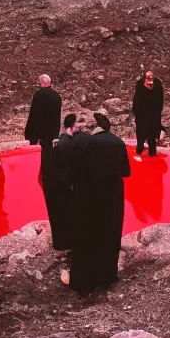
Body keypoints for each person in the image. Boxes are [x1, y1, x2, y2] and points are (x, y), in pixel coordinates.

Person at [68, 113, 130, 294]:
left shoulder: (85, 143)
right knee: (109, 234)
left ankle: (83, 281)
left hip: (89, 196)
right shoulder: (118, 142)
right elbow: (126, 172)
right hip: (112, 197)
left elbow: (74, 171)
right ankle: (107, 277)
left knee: (88, 234)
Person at [48, 114, 87, 251]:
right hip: (67, 184)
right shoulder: (68, 143)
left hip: (62, 184)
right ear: (71, 125)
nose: (79, 126)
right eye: (77, 123)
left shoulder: (60, 143)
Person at [24, 74, 62, 184]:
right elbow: (57, 116)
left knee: (38, 154)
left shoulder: (39, 95)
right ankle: (48, 175)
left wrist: (30, 133)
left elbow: (34, 114)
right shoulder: (56, 96)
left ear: (42, 83)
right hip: (51, 132)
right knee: (48, 153)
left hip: (39, 130)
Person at [132, 70, 164, 158]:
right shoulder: (140, 86)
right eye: (148, 79)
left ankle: (152, 152)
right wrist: (135, 112)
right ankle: (139, 150)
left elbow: (160, 102)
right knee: (141, 135)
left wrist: (158, 113)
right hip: (142, 115)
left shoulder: (157, 87)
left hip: (153, 116)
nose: (150, 81)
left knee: (152, 137)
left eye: (151, 78)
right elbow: (136, 100)